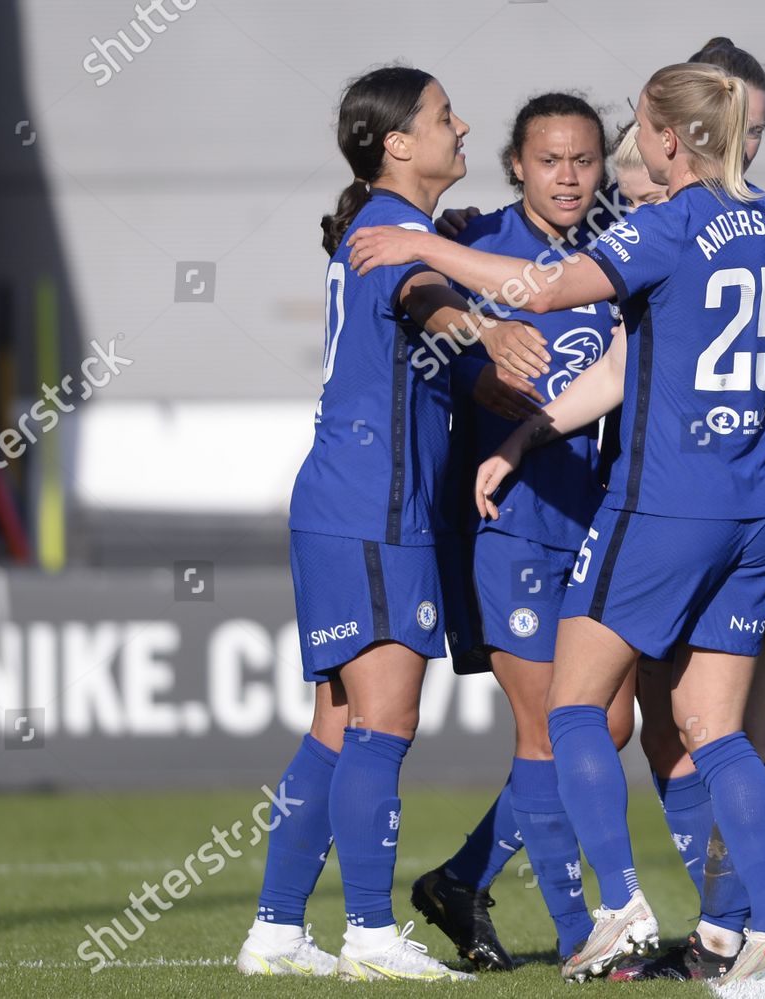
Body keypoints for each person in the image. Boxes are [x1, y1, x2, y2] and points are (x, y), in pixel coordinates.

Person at [347, 61, 765, 985]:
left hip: (663, 505)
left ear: (669, 139)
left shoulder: (663, 224)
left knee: (575, 710)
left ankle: (617, 908)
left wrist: (433, 252)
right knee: (712, 730)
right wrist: (526, 435)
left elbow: (544, 292)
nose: (610, 159)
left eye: (633, 134)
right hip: (760, 507)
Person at [236, 65, 542, 983]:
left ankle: (275, 930)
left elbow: (440, 359)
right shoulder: (397, 233)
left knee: (335, 725)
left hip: (346, 503)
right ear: (397, 144)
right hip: (374, 511)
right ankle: (370, 934)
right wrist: (489, 329)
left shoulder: (387, 229)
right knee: (385, 719)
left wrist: (520, 395)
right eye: (446, 116)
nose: (462, 127)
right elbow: (424, 298)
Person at [614, 37, 765, 983]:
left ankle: (747, 927)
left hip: (706, 501)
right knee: (693, 728)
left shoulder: (671, 220)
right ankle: (730, 931)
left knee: (718, 728)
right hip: (764, 504)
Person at [409, 92, 637, 973]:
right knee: (548, 729)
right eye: (551, 160)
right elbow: (431, 334)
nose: (570, 176)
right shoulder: (478, 249)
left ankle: (462, 876)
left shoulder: (618, 249)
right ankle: (585, 938)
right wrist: (485, 365)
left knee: (603, 722)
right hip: (507, 526)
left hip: (593, 520)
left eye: (584, 159)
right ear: (518, 164)